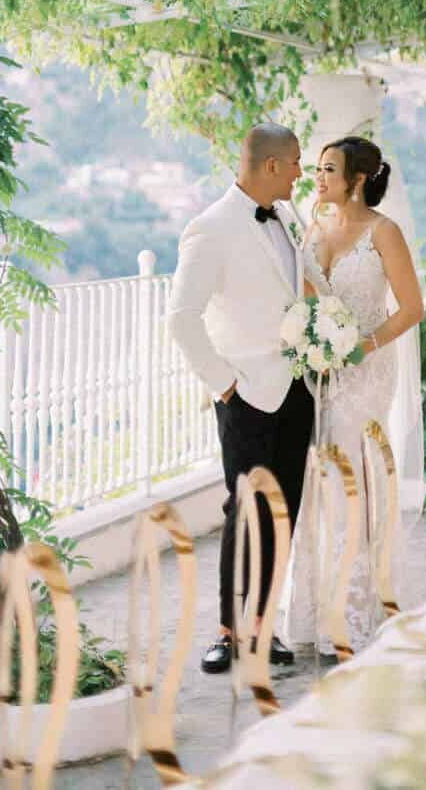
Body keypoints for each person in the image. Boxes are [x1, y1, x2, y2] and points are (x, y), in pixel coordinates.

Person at [167, 123, 314, 675]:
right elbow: (181, 319)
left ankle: (263, 627)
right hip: (246, 395)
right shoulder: (211, 227)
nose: (302, 172)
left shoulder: (288, 218)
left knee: (284, 511)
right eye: (296, 162)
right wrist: (224, 385)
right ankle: (228, 632)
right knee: (244, 511)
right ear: (271, 166)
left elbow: (303, 283)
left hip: (297, 387)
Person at [282, 134, 425, 656]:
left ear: (358, 179)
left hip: (366, 369)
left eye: (327, 170)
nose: (317, 178)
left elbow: (411, 308)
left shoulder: (384, 233)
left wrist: (364, 346)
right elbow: (304, 300)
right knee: (320, 482)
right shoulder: (313, 228)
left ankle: (357, 609)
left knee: (351, 477)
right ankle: (317, 608)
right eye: (316, 169)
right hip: (320, 369)